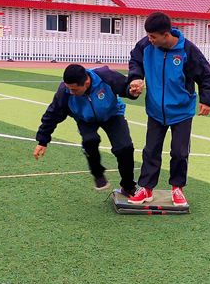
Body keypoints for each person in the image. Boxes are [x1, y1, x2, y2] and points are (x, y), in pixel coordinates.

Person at [126, 11, 210, 206]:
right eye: (148, 36)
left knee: (179, 152)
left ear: (166, 35)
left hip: (182, 111)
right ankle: (146, 189)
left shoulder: (188, 51)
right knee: (151, 150)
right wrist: (136, 77)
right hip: (155, 110)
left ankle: (177, 189)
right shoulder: (146, 46)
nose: (149, 40)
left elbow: (206, 74)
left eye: (153, 37)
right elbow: (135, 61)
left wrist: (207, 99)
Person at [33, 64, 137, 195]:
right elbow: (52, 114)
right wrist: (42, 141)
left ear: (86, 82)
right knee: (90, 140)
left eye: (74, 89)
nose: (71, 92)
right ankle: (98, 174)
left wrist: (131, 91)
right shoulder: (64, 92)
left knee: (125, 148)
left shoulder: (106, 76)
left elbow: (126, 88)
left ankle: (128, 186)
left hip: (113, 114)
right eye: (69, 88)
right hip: (84, 118)